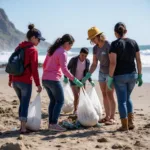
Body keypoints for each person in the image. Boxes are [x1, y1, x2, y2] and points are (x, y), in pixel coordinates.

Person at [42, 34, 83, 132]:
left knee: (53, 101)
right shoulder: (63, 53)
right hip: (53, 80)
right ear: (67, 43)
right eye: (71, 45)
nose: (71, 47)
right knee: (60, 101)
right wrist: (75, 79)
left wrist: (47, 75)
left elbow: (44, 65)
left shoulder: (51, 50)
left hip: (45, 79)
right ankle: (54, 124)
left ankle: (51, 124)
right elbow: (65, 70)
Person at [8, 24, 44, 134]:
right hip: (25, 82)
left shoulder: (19, 47)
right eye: (38, 39)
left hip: (15, 81)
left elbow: (12, 64)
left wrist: (10, 79)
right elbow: (34, 69)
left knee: (22, 102)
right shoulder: (33, 50)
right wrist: (38, 84)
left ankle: (22, 125)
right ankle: (23, 128)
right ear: (33, 38)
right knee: (24, 103)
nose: (39, 42)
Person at [107, 22, 143, 131]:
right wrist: (140, 75)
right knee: (128, 98)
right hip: (132, 74)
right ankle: (131, 123)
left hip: (120, 76)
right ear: (125, 31)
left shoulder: (114, 44)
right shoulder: (134, 42)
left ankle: (124, 125)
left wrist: (110, 78)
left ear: (115, 33)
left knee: (122, 100)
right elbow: (138, 60)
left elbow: (113, 63)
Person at [82, 27, 116, 125]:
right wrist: (88, 75)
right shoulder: (95, 48)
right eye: (91, 39)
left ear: (98, 36)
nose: (92, 41)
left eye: (93, 38)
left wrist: (110, 76)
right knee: (104, 94)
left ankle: (112, 117)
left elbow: (113, 62)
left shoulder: (108, 45)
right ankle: (107, 116)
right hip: (101, 73)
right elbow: (94, 63)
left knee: (110, 95)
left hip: (110, 73)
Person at [63, 47, 95, 114]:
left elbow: (87, 72)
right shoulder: (74, 60)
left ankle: (81, 110)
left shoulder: (87, 61)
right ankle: (75, 110)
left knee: (82, 96)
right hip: (73, 80)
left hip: (82, 81)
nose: (84, 57)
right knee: (76, 95)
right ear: (79, 53)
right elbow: (66, 69)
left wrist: (90, 80)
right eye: (82, 55)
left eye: (85, 56)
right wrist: (65, 77)